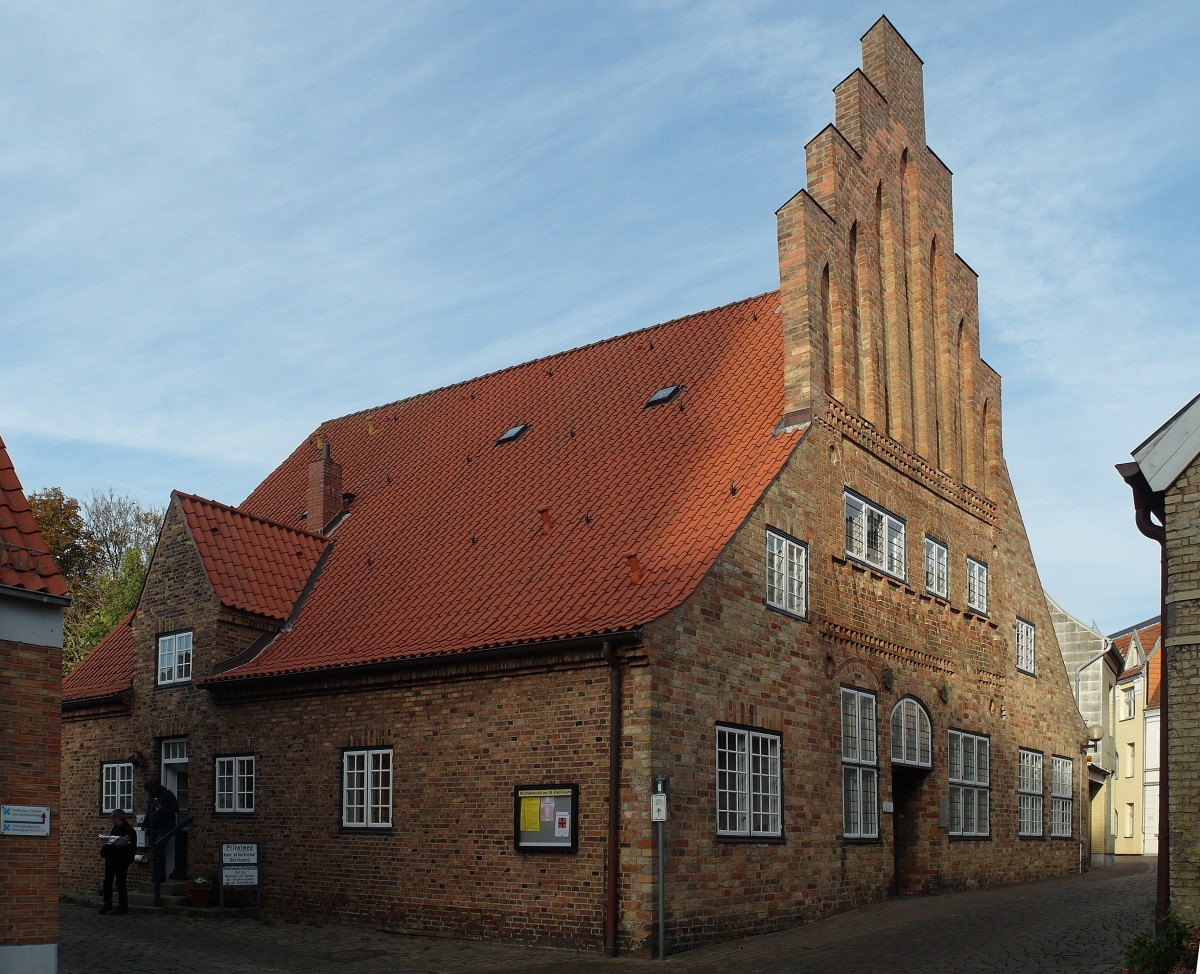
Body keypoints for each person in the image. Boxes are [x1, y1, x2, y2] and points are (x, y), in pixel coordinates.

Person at [99, 809, 138, 914]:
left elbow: (131, 847)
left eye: (113, 819)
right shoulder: (115, 828)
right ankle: (107, 905)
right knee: (107, 882)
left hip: (122, 860)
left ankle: (122, 907)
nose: (112, 821)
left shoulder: (129, 830)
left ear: (117, 818)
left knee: (120, 883)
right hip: (111, 859)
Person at [142, 779, 178, 883]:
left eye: (150, 790)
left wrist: (162, 811)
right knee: (155, 851)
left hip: (165, 826)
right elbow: (149, 810)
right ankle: (158, 875)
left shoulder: (167, 794)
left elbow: (176, 809)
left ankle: (159, 875)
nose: (149, 792)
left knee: (158, 847)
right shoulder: (151, 795)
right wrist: (145, 821)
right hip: (153, 826)